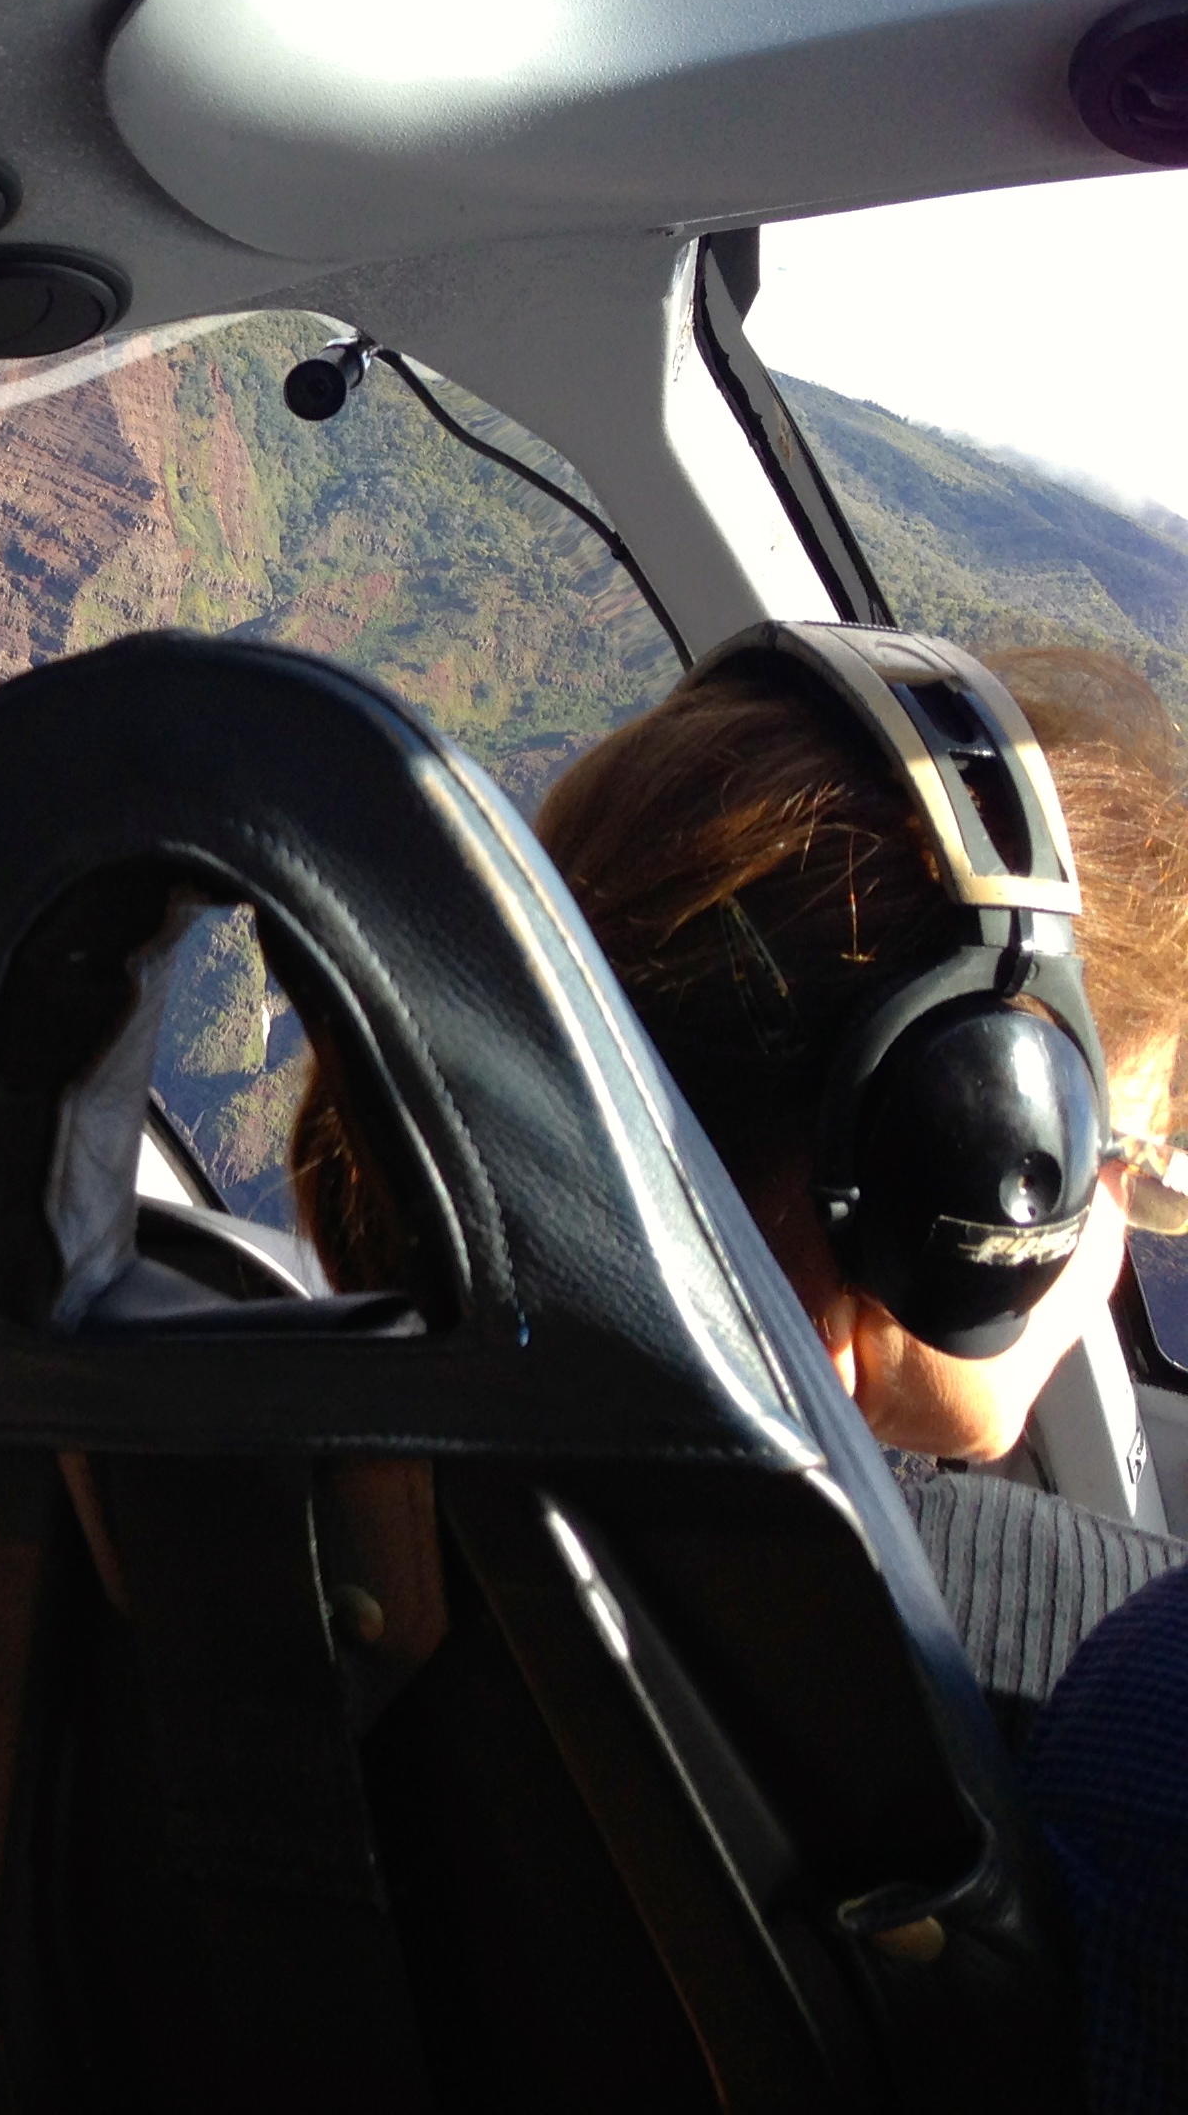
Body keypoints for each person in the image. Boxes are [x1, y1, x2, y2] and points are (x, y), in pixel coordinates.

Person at [297, 630, 1188, 2101]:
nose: (1115, 1244)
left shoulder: (192, 1481)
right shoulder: (1095, 1699)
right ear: (980, 1154)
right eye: (1120, 1159)